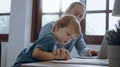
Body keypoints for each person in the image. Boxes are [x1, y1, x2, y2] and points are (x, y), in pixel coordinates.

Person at [12, 15, 81, 67]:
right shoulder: (50, 38)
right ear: (57, 27)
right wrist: (55, 56)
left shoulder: (54, 43)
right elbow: (36, 53)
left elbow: (47, 56)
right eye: (68, 34)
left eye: (72, 38)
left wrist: (61, 56)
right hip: (22, 64)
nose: (69, 39)